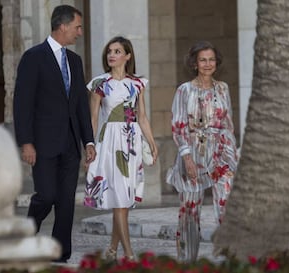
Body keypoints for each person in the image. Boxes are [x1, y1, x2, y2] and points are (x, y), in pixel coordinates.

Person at [13, 5, 96, 263]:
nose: (79, 33)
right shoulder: (33, 57)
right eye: (77, 27)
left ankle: (61, 253)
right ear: (63, 26)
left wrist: (88, 140)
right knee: (46, 196)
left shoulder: (75, 61)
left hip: (71, 144)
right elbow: (22, 103)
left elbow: (81, 104)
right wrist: (26, 142)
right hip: (43, 144)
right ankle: (26, 239)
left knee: (66, 202)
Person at [83, 36, 158, 261]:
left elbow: (142, 117)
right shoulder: (99, 84)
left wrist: (152, 143)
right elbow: (93, 118)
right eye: (109, 51)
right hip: (110, 144)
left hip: (131, 142)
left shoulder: (138, 83)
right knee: (121, 200)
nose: (112, 55)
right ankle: (129, 254)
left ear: (127, 56)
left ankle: (112, 250)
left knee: (123, 200)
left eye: (117, 51)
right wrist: (89, 145)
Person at [166, 41, 238, 262]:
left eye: (211, 59)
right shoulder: (184, 90)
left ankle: (230, 260)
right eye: (203, 60)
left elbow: (228, 124)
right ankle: (187, 262)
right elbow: (178, 126)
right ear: (195, 63)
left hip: (221, 154)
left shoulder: (223, 88)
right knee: (190, 209)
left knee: (226, 206)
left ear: (217, 63)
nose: (208, 64)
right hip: (193, 154)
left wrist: (233, 155)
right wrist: (187, 157)